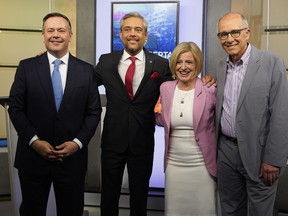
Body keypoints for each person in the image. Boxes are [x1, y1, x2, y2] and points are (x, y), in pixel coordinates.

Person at [95, 12, 215, 216]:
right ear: (121, 35)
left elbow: (182, 82)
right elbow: (83, 83)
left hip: (142, 143)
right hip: (112, 143)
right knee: (108, 198)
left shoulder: (159, 65)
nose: (132, 34)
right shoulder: (106, 61)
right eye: (127, 29)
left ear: (146, 35)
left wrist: (207, 79)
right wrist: (48, 62)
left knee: (139, 199)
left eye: (138, 30)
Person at [8, 12, 102, 216]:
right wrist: (34, 141)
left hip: (72, 161)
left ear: (70, 35)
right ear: (43, 35)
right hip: (33, 159)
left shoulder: (87, 71)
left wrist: (77, 143)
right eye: (50, 30)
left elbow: (93, 112)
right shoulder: (27, 67)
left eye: (61, 30)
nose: (55, 35)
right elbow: (15, 108)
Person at [215, 12, 288, 216]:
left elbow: (282, 114)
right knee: (229, 210)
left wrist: (274, 159)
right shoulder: (221, 66)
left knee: (260, 212)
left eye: (235, 32)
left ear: (247, 33)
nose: (229, 39)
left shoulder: (272, 62)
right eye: (223, 34)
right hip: (226, 153)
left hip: (260, 156)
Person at [155, 42, 217, 216]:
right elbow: (161, 120)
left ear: (197, 64)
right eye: (179, 62)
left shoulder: (209, 89)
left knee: (204, 211)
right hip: (174, 165)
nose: (183, 67)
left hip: (202, 166)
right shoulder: (165, 89)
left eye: (189, 62)